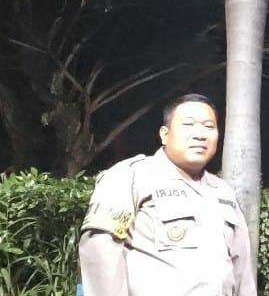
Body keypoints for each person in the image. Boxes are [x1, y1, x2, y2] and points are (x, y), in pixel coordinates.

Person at [78, 94, 256, 296]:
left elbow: (242, 271)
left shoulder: (223, 192)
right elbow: (99, 251)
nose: (200, 135)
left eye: (209, 126)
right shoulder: (131, 176)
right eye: (188, 125)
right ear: (164, 134)